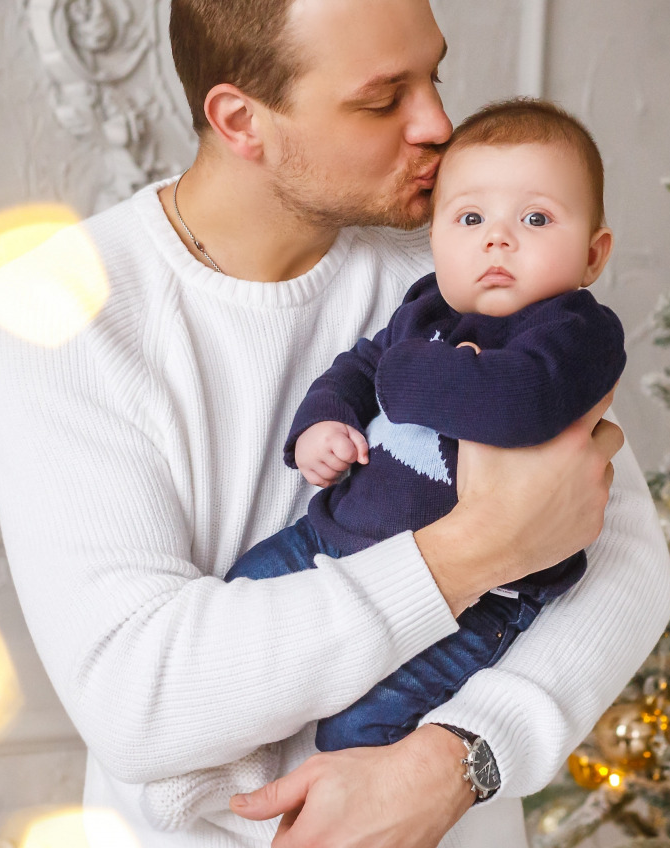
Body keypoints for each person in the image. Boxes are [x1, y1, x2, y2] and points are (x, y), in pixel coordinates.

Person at [0, 0, 670, 848]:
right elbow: (143, 695)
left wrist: (457, 760)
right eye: (384, 99)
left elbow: (627, 570)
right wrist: (475, 550)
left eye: (433, 77)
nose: (438, 125)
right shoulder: (65, 308)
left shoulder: (468, 262)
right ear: (240, 118)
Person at [227, 98, 625, 755]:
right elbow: (358, 370)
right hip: (334, 536)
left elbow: (512, 404)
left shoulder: (575, 334)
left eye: (536, 217)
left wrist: (406, 379)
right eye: (470, 218)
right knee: (240, 612)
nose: (499, 238)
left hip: (478, 604)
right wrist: (323, 424)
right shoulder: (426, 308)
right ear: (436, 238)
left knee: (359, 732)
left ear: (592, 255)